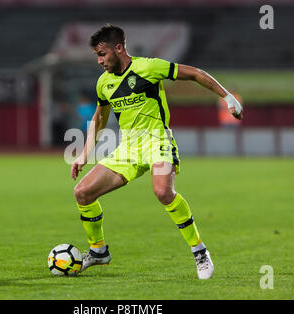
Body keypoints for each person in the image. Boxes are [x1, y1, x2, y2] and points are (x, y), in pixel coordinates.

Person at [70, 24, 243, 280]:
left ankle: (199, 251)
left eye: (103, 54)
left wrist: (227, 97)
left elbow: (195, 73)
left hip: (157, 141)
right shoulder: (104, 84)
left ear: (118, 48)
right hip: (128, 147)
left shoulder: (148, 68)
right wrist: (84, 154)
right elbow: (99, 118)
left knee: (163, 191)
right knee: (83, 192)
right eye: (97, 55)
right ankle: (98, 252)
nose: (100, 61)